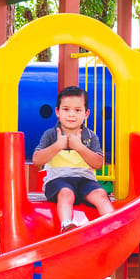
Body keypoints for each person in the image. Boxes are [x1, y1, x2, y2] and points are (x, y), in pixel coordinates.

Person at [32, 85, 114, 233]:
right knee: (66, 193)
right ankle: (66, 225)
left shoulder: (90, 136)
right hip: (58, 180)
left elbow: (98, 164)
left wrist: (80, 147)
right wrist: (57, 146)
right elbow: (37, 160)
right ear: (57, 112)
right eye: (66, 109)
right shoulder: (51, 134)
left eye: (77, 110)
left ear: (86, 113)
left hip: (85, 179)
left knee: (100, 194)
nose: (71, 114)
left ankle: (111, 226)